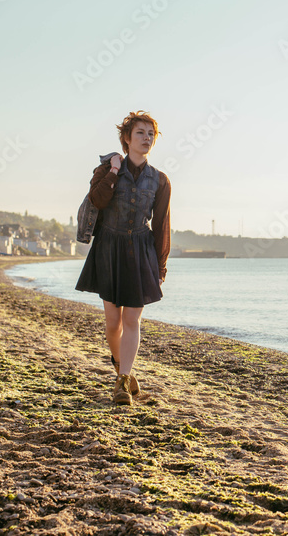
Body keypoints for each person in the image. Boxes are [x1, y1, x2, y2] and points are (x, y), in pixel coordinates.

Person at [75, 111, 171, 406]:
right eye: (140, 133)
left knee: (132, 319)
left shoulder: (161, 180)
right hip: (109, 247)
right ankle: (123, 369)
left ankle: (121, 381)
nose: (146, 139)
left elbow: (162, 226)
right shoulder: (106, 170)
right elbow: (98, 200)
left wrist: (160, 266)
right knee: (112, 321)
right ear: (127, 139)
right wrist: (114, 171)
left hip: (141, 250)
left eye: (150, 134)